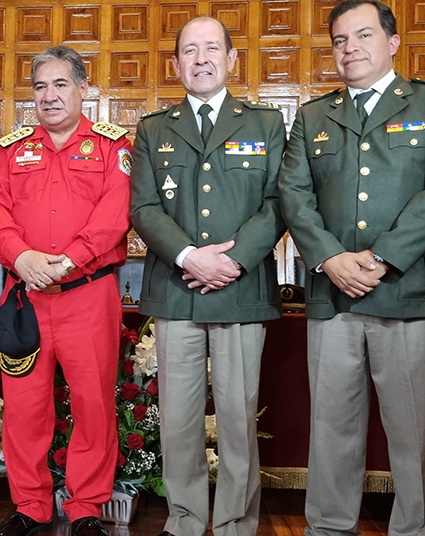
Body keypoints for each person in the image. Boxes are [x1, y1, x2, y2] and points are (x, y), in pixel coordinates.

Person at [277, 1, 425, 535]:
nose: (350, 47)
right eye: (339, 39)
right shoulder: (315, 115)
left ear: (392, 42)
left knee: (414, 431)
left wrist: (382, 257)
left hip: (407, 291)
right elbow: (293, 194)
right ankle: (330, 528)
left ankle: (420, 530)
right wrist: (332, 258)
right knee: (331, 427)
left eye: (362, 35)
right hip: (332, 292)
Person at [130, 16, 287, 536]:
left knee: (239, 420)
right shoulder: (154, 128)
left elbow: (278, 202)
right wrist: (189, 256)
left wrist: (234, 259)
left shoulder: (265, 124)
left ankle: (237, 524)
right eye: (190, 50)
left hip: (242, 289)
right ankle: (185, 520)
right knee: (178, 421)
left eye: (211, 48)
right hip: (178, 291)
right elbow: (145, 208)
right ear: (175, 64)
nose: (201, 58)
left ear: (231, 59)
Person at [0, 45, 132, 536]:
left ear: (84, 89)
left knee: (93, 407)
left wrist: (66, 261)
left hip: (88, 295)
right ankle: (31, 507)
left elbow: (115, 213)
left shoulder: (112, 148)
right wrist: (21, 257)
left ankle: (86, 509)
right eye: (40, 87)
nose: (49, 95)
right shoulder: (10, 150)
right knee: (24, 410)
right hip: (25, 298)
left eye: (60, 84)